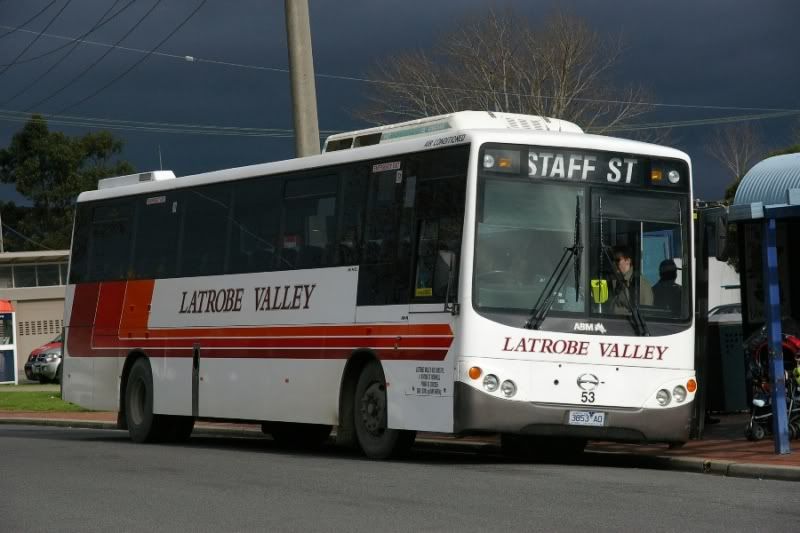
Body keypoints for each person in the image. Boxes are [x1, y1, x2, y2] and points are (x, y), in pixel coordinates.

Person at [610, 245, 653, 314]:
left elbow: (646, 313)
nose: (613, 263)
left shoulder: (641, 283)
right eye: (612, 260)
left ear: (628, 261)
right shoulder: (614, 281)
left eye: (617, 260)